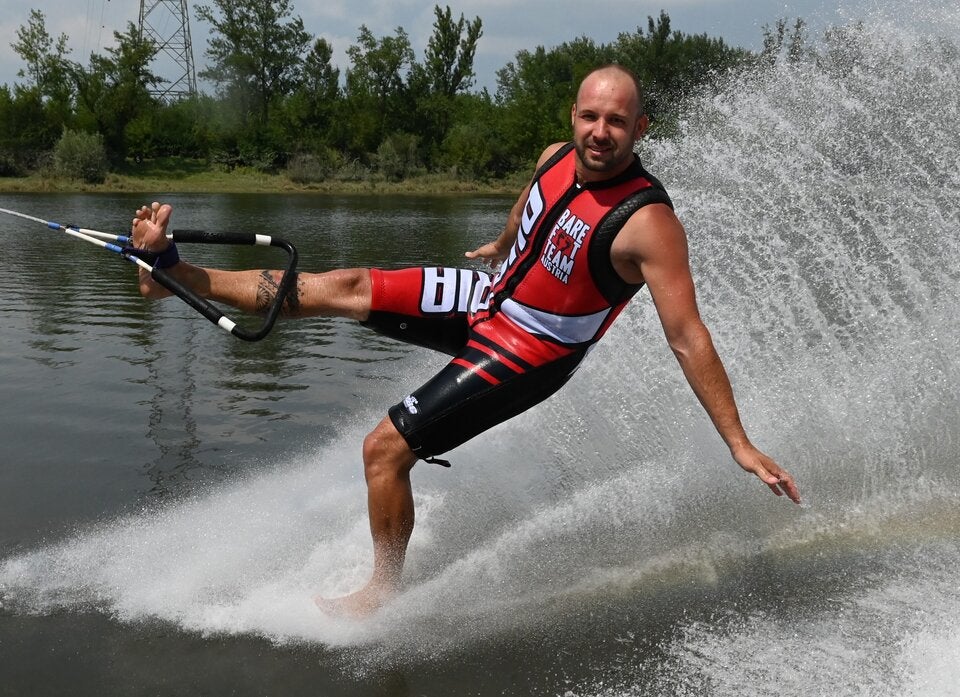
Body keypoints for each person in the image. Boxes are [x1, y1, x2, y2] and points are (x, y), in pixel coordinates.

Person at [130, 64, 801, 617]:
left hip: (531, 348)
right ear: (573, 116)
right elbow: (530, 203)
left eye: (617, 122)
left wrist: (738, 443)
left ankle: (382, 592)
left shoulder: (648, 223)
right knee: (348, 285)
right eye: (590, 117)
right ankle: (174, 275)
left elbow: (687, 336)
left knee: (383, 449)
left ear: (640, 128)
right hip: (488, 295)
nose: (600, 132)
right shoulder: (555, 157)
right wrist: (503, 243)